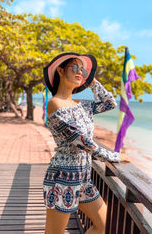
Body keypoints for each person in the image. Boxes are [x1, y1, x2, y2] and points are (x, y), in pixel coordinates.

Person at [43, 52, 126, 234]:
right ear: (60, 71)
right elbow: (82, 142)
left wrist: (92, 81)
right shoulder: (55, 104)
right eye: (74, 67)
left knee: (104, 226)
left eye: (83, 69)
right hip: (63, 178)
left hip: (83, 178)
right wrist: (115, 156)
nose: (80, 72)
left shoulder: (83, 105)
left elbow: (110, 102)